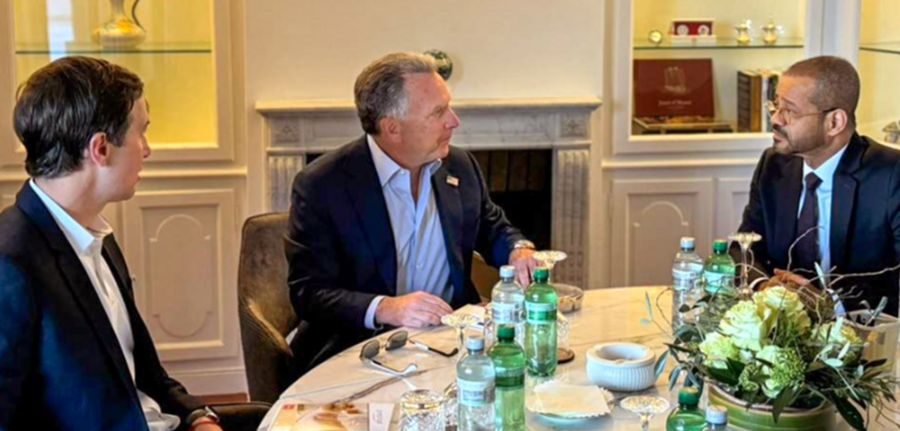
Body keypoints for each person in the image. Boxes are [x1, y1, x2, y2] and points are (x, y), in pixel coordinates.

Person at [0, 57, 222, 430]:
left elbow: (143, 375)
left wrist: (199, 417)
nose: (147, 150)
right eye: (141, 133)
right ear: (101, 148)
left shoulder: (96, 235)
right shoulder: (10, 263)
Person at [285, 52, 538, 372]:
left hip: (454, 344)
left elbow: (491, 225)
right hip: (361, 352)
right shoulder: (324, 184)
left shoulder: (459, 165)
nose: (454, 121)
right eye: (438, 112)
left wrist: (518, 249)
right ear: (392, 128)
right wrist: (387, 308)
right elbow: (309, 293)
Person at [738, 55, 900, 315]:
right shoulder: (774, 164)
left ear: (834, 122)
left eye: (790, 111)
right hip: (782, 326)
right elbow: (744, 247)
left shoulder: (891, 175)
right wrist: (763, 286)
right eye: (776, 106)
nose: (776, 119)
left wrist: (830, 304)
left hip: (864, 328)